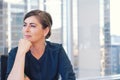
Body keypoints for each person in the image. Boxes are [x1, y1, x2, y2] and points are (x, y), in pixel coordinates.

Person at [6, 10, 76, 80]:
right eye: (24, 25)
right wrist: (21, 53)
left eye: (32, 26)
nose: (26, 30)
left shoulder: (57, 50)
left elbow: (70, 78)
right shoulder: (15, 53)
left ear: (45, 31)